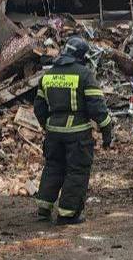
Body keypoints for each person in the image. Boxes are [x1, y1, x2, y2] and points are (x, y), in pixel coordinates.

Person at [33, 37, 113, 225]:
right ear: (81, 56)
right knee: (76, 171)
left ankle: (43, 209)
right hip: (77, 135)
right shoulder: (84, 75)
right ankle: (68, 214)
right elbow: (97, 107)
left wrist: (48, 125)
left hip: (53, 133)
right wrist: (106, 130)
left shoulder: (49, 75)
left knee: (53, 167)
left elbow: (39, 106)